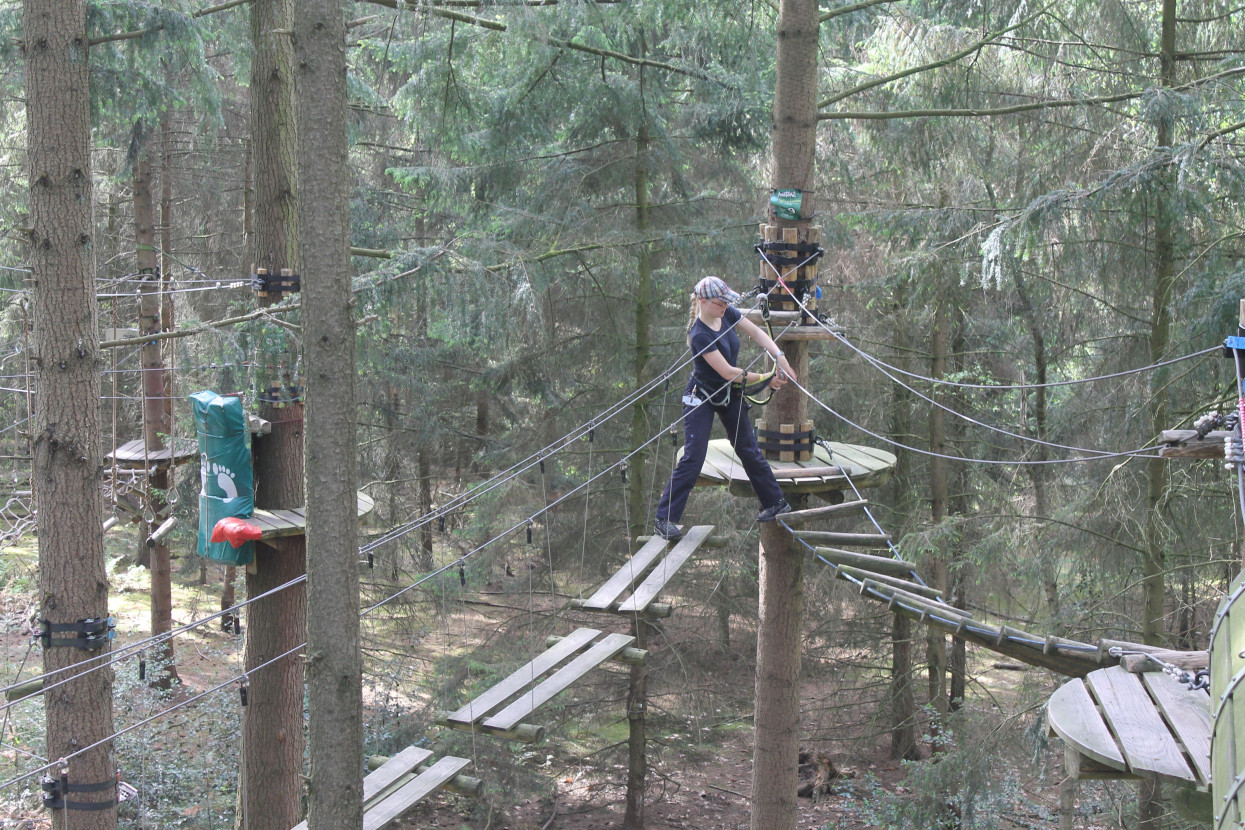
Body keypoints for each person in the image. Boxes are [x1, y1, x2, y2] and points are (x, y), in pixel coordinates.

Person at [654, 275, 797, 541]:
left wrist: (780, 357)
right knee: (694, 456)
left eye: (726, 303)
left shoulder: (727, 312)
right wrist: (768, 378)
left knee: (747, 447)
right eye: (721, 303)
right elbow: (729, 372)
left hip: (729, 393)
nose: (725, 307)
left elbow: (756, 332)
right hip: (702, 395)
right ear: (704, 302)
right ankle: (665, 519)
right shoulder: (699, 335)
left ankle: (775, 502)